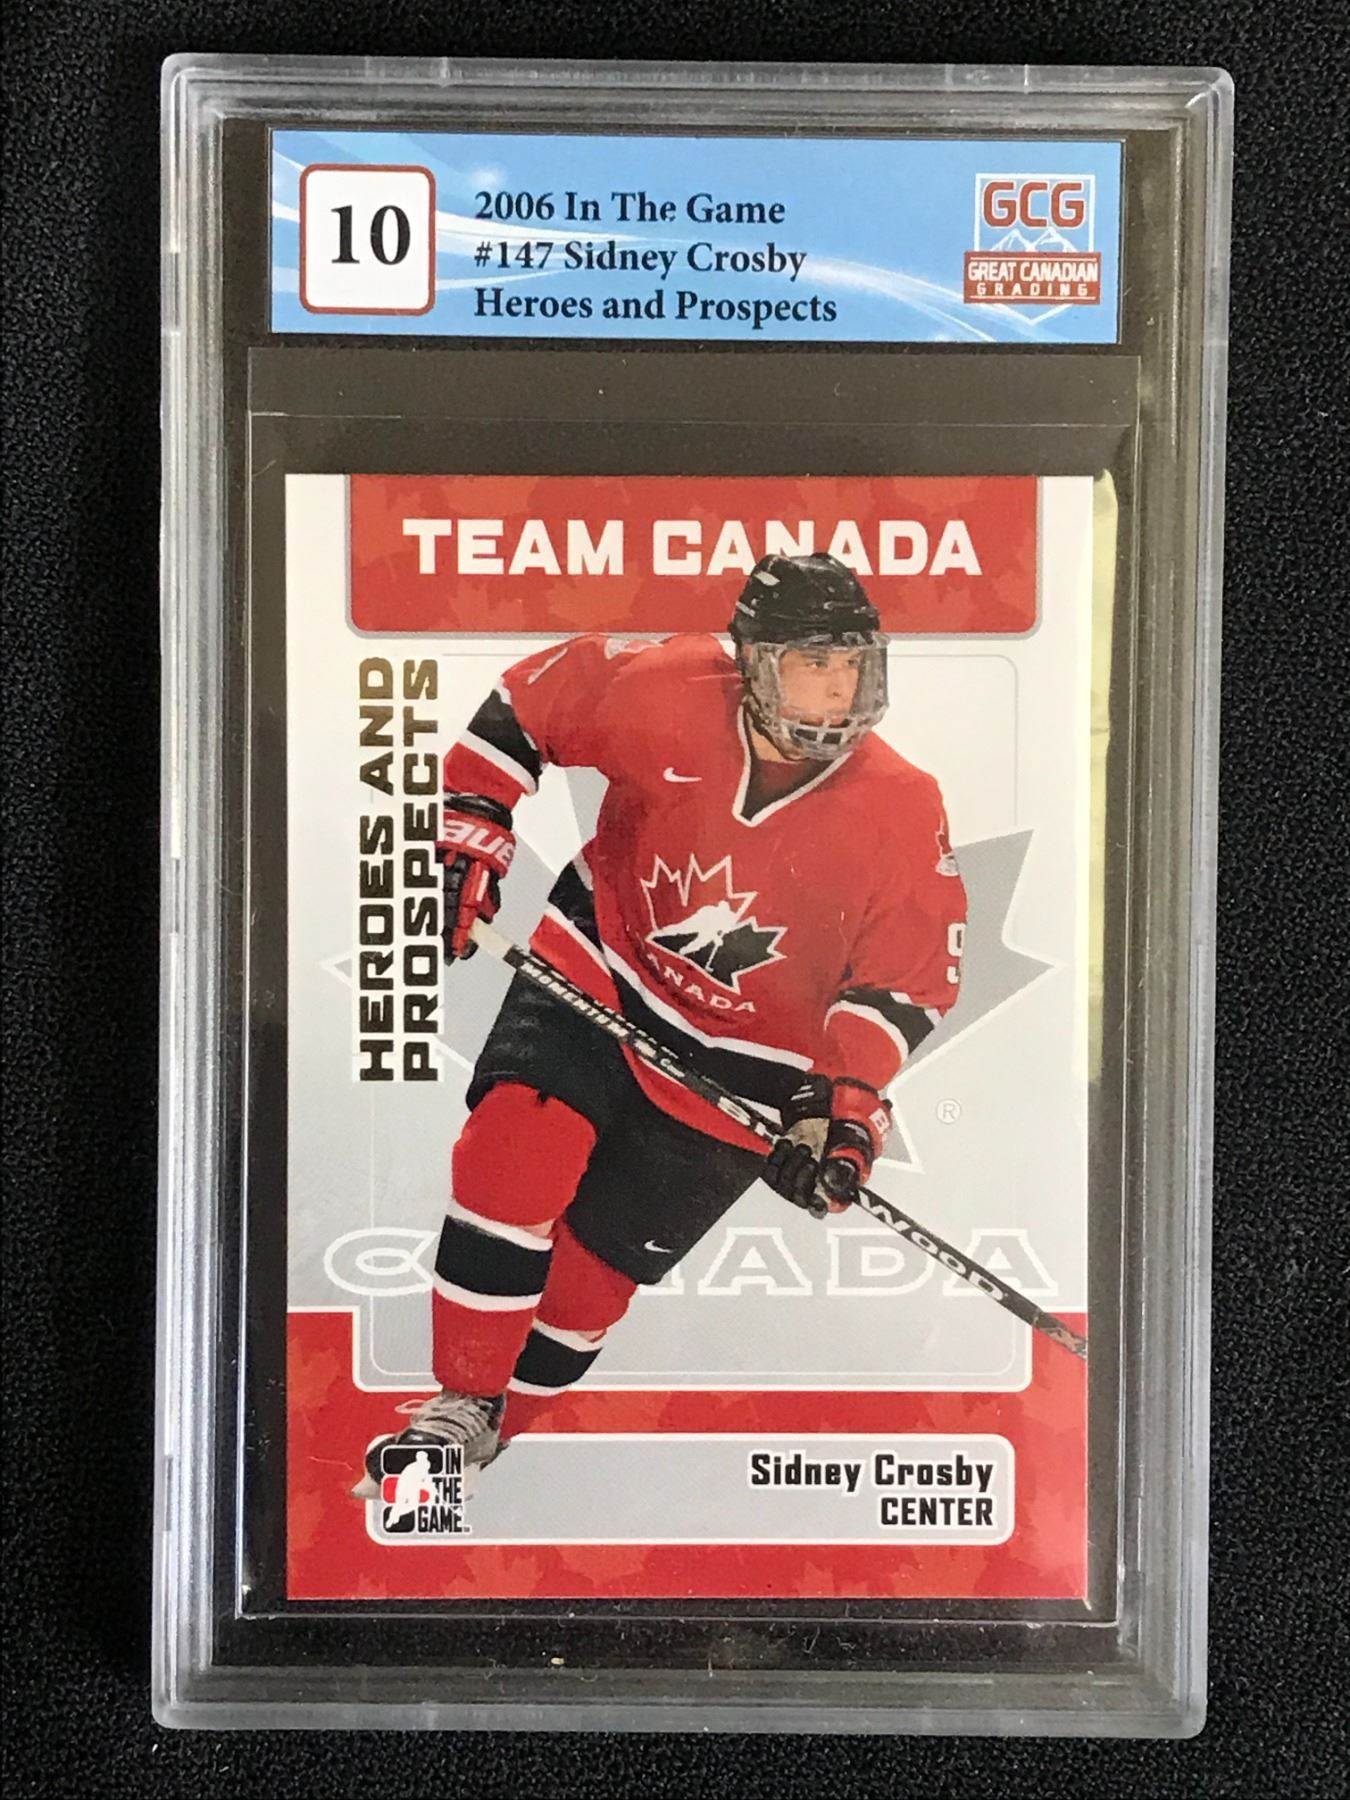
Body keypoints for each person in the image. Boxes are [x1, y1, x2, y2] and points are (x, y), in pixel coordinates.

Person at [362, 552, 967, 1491]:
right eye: (812, 663)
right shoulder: (666, 684)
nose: (838, 691)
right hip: (602, 971)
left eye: (852, 665)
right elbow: (526, 707)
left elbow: (906, 983)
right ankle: (458, 1406)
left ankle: (497, 1433)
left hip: (746, 1072)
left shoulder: (903, 803)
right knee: (512, 1153)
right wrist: (475, 823)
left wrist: (839, 1110)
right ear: (751, 660)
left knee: (588, 1287)